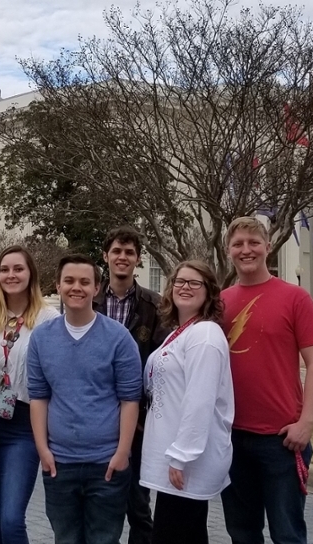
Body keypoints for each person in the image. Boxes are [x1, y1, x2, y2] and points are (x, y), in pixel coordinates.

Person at [219, 217, 313, 544]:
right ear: (228, 251)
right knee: (242, 532)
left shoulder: (295, 298)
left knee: (287, 534)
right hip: (231, 437)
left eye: (253, 243)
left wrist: (306, 422)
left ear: (268, 247)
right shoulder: (219, 302)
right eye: (238, 244)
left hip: (281, 439)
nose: (246, 250)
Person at [28, 254, 142, 544]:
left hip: (105, 465)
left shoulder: (119, 338)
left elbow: (130, 399)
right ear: (58, 285)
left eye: (84, 281)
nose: (76, 287)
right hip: (59, 465)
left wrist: (122, 454)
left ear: (96, 288)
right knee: (65, 539)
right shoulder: (41, 338)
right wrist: (43, 449)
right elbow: (39, 397)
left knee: (104, 540)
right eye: (69, 280)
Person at [0, 245, 59, 544]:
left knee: (10, 518)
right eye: (4, 269)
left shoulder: (48, 319)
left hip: (23, 422)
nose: (11, 275)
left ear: (30, 273)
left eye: (18, 269)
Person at [140, 261, 234, 544]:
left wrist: (182, 455)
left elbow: (200, 400)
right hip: (174, 457)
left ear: (209, 292)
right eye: (180, 281)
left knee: (171, 534)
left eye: (195, 283)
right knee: (189, 534)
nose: (185, 287)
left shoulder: (205, 336)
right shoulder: (181, 332)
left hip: (187, 462)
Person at [91, 226, 166, 544]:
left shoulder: (155, 305)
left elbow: (162, 362)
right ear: (106, 256)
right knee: (99, 506)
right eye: (117, 251)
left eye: (130, 252)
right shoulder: (88, 301)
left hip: (138, 422)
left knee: (138, 507)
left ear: (137, 259)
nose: (123, 257)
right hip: (95, 418)